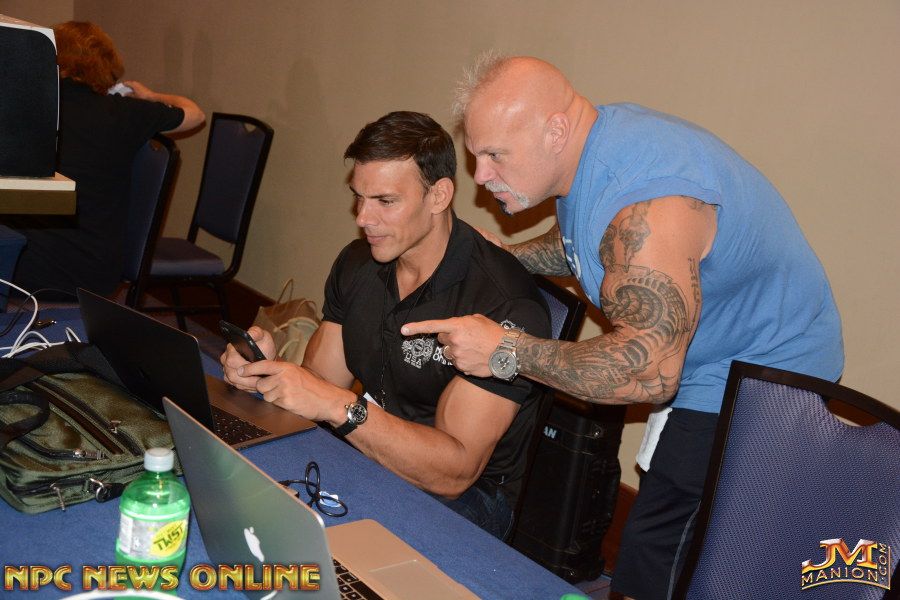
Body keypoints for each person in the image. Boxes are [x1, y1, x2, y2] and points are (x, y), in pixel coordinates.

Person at [401, 55, 844, 599]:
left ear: (554, 131)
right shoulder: (593, 146)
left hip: (770, 366)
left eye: (495, 155)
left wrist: (505, 350)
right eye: (476, 155)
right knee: (664, 533)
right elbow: (598, 241)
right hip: (701, 352)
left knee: (661, 550)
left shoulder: (650, 202)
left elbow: (649, 374)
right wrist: (512, 258)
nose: (481, 175)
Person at [222, 111, 550, 540]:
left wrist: (340, 407)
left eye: (385, 201)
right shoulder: (358, 262)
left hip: (468, 498)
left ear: (439, 196)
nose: (363, 217)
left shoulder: (503, 304)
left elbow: (454, 473)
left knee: (318, 533)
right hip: (368, 443)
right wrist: (269, 372)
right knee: (245, 479)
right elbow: (322, 383)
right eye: (359, 197)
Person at [6, 21, 204, 298]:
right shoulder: (126, 112)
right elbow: (195, 114)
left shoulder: (28, 108)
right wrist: (150, 96)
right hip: (95, 266)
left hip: (36, 264)